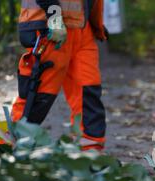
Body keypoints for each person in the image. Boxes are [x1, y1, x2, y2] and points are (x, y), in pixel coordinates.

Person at [12, 0, 108, 151]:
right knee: (37, 96)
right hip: (50, 28)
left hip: (83, 29)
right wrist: (54, 17)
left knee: (88, 91)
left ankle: (89, 153)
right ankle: (9, 147)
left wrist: (95, 23)